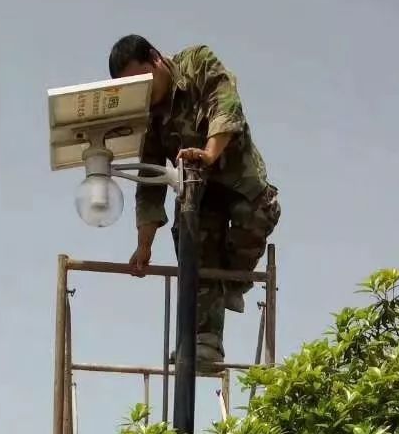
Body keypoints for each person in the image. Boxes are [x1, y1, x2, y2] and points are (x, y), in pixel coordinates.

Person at [108, 35, 279, 365]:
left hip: (239, 181)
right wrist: (144, 246)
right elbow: (149, 181)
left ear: (156, 59)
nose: (143, 92)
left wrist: (209, 153)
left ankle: (232, 285)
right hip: (198, 194)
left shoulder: (197, 63)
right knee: (192, 237)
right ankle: (205, 341)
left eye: (143, 80)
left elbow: (226, 105)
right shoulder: (150, 116)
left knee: (257, 216)